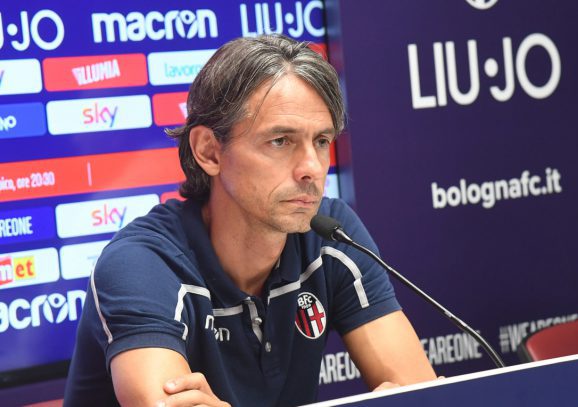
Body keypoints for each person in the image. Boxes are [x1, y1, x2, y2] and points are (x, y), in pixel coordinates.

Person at [64, 34, 436, 407]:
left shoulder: (332, 234)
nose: (311, 168)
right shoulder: (141, 264)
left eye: (322, 141)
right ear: (209, 152)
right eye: (281, 141)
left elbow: (422, 396)